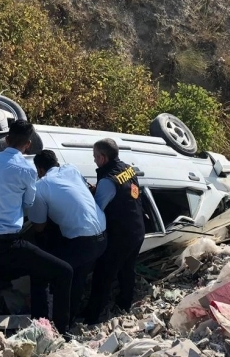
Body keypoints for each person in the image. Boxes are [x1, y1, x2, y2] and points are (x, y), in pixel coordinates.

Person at [0, 120, 73, 334]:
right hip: (10, 244)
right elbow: (29, 203)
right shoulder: (27, 170)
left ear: (7, 139)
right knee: (64, 271)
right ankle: (60, 332)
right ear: (28, 145)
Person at [29, 150, 108, 326]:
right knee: (77, 277)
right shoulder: (71, 169)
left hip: (83, 242)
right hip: (102, 236)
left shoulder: (41, 186)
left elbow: (39, 227)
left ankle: (52, 324)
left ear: (40, 170)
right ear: (56, 162)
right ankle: (69, 319)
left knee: (50, 274)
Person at [82, 138, 146, 325]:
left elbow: (98, 208)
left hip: (120, 236)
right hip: (137, 229)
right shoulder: (127, 168)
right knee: (127, 269)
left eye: (95, 156)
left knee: (103, 275)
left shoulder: (108, 181)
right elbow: (125, 193)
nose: (94, 160)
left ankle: (91, 317)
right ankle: (124, 304)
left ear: (103, 157)